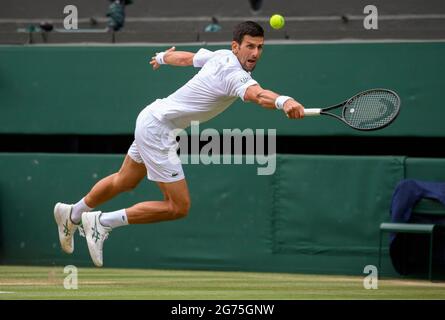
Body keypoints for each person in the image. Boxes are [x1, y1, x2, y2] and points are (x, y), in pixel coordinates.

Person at [54, 21, 305, 267]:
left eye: (260, 47)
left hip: (151, 118)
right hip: (158, 129)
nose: (255, 53)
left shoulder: (220, 55)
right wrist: (284, 101)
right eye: (250, 46)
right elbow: (257, 95)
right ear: (235, 46)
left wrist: (163, 57)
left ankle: (72, 214)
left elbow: (187, 59)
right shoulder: (234, 74)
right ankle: (103, 222)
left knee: (125, 180)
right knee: (178, 206)